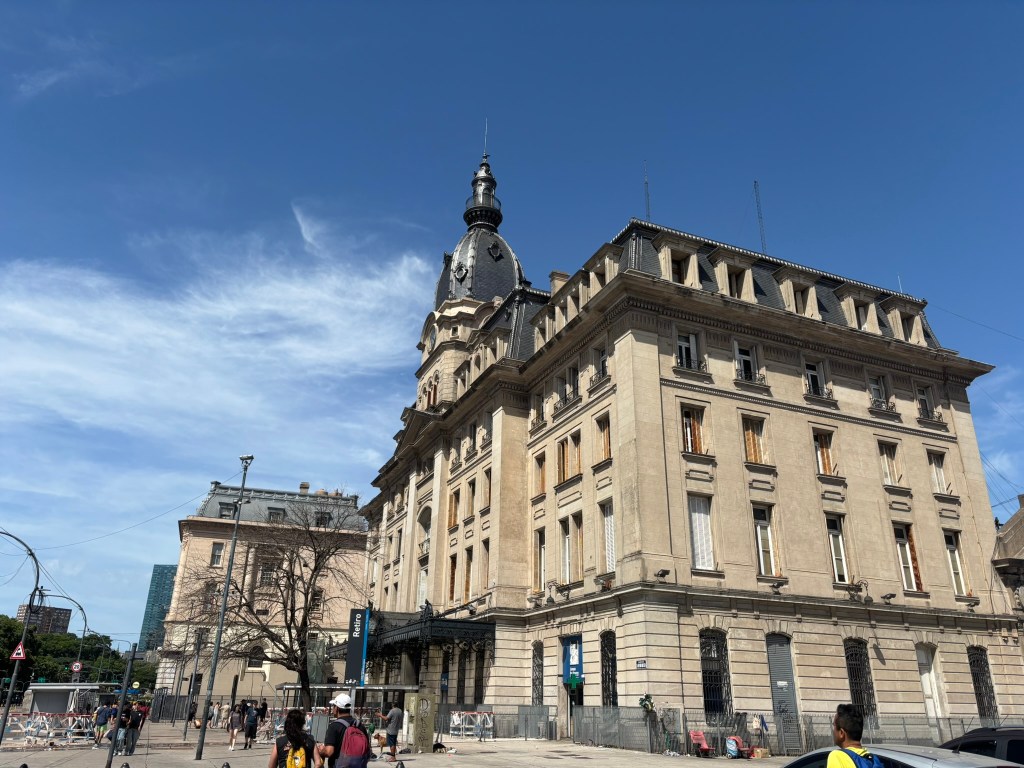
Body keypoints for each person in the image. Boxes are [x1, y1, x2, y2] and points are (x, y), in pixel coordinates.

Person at [319, 694, 371, 768]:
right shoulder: (359, 725)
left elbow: (329, 752)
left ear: (337, 708)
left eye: (333, 706)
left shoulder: (334, 726)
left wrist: (321, 750)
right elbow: (367, 750)